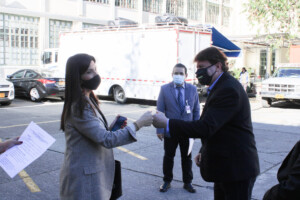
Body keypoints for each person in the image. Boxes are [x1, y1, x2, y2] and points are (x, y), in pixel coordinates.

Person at [153, 47, 260, 200]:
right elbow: (216, 125)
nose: (198, 73)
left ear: (218, 66)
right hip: (226, 167)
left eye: (202, 67)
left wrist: (168, 123)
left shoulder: (228, 89)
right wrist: (204, 150)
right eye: (197, 68)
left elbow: (205, 127)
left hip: (236, 169)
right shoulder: (219, 86)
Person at [59, 53, 153, 200]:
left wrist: (111, 129)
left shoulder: (88, 99)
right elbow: (106, 140)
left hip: (92, 174)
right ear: (78, 77)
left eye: (95, 70)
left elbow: (97, 135)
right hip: (84, 180)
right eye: (89, 72)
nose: (96, 75)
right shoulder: (79, 107)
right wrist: (138, 124)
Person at [156, 63, 200, 193]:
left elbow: (196, 110)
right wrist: (159, 129)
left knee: (187, 157)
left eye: (181, 73)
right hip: (170, 130)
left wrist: (196, 128)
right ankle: (167, 181)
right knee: (168, 156)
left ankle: (188, 182)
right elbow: (160, 110)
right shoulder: (164, 89)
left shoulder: (192, 89)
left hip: (187, 130)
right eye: (176, 73)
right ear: (172, 74)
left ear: (186, 75)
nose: (178, 75)